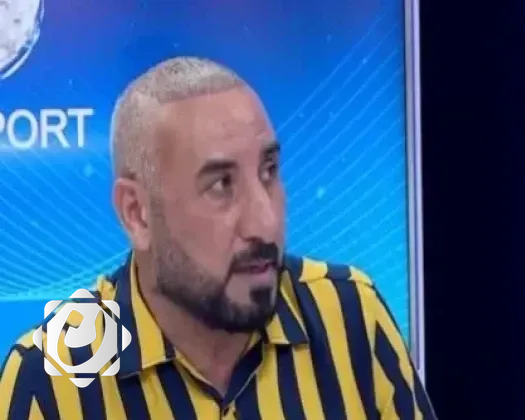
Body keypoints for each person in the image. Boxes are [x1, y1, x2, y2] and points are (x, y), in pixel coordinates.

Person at [0, 57, 436, 420]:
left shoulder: (351, 317)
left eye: (269, 172)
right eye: (221, 185)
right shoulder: (50, 380)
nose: (265, 222)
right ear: (137, 213)